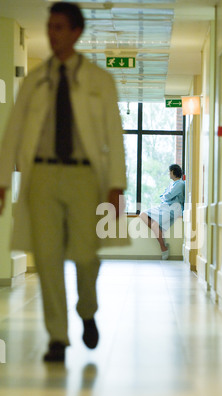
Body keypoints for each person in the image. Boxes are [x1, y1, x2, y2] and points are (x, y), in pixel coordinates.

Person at [0, 2, 127, 362]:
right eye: (49, 26)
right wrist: (1, 181)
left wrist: (116, 186)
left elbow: (115, 136)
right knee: (48, 256)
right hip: (40, 175)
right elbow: (12, 133)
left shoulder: (99, 80)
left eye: (59, 27)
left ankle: (87, 308)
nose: (52, 33)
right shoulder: (35, 81)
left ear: (75, 32)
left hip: (86, 176)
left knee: (87, 255)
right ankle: (58, 336)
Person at [140, 164, 185, 260]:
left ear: (173, 172)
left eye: (169, 171)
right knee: (143, 214)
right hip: (164, 206)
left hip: (172, 209)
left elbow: (167, 196)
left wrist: (165, 196)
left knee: (155, 226)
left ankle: (163, 248)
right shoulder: (172, 184)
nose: (169, 173)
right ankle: (159, 233)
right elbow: (164, 196)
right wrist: (165, 196)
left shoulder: (181, 184)